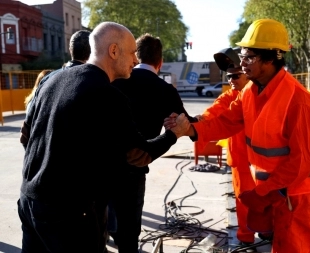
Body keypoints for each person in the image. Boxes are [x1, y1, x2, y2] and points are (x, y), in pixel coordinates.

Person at [17, 21, 190, 253]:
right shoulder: (108, 95)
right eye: (131, 53)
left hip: (30, 202)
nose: (136, 61)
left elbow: (26, 136)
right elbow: (138, 156)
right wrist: (173, 134)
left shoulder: (51, 80)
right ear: (114, 50)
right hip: (68, 214)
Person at [164, 19, 310, 253]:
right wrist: (189, 129)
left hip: (297, 194)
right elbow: (226, 122)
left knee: (294, 247)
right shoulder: (250, 92)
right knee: (280, 245)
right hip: (275, 189)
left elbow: (302, 162)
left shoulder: (299, 102)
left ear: (271, 58)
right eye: (242, 55)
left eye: (249, 57)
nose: (241, 63)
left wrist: (263, 192)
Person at [110, 33, 197, 253]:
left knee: (102, 222)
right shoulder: (165, 90)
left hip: (105, 165)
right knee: (130, 229)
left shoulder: (113, 81)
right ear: (160, 62)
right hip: (137, 167)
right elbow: (190, 128)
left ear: (135, 57)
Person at [195, 47, 256, 244]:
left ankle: (266, 231)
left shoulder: (260, 95)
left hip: (263, 163)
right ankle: (246, 238)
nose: (232, 80)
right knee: (243, 202)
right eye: (229, 77)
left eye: (236, 75)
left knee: (268, 202)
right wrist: (193, 122)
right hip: (241, 161)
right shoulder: (230, 97)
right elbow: (212, 113)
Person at [22, 29, 91, 116]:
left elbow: (29, 120)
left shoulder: (47, 79)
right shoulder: (98, 82)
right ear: (92, 51)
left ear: (70, 50)